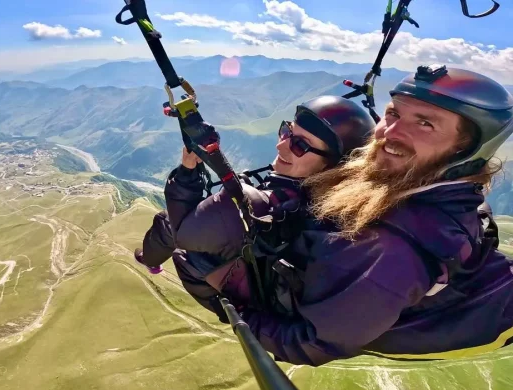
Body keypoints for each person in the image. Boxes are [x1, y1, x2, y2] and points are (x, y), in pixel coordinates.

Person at [186, 64, 513, 366]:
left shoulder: (388, 251)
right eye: (393, 113)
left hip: (337, 316)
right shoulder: (411, 177)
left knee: (193, 259)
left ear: (466, 148)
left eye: (425, 123)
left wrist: (232, 308)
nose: (389, 133)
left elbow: (311, 343)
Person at [134, 95, 376, 281]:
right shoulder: (328, 200)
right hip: (260, 253)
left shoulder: (266, 205)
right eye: (287, 131)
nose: (281, 145)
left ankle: (150, 260)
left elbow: (182, 231)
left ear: (334, 165)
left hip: (228, 272)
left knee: (166, 222)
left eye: (300, 145)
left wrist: (187, 172)